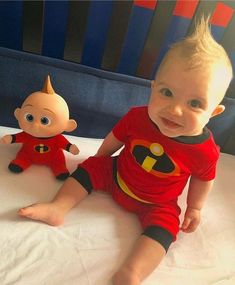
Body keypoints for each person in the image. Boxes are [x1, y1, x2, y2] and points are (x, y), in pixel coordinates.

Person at [18, 17, 233, 285]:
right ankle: (58, 207)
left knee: (165, 229)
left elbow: (204, 178)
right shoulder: (137, 117)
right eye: (167, 92)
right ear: (153, 87)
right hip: (118, 174)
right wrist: (100, 159)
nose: (175, 110)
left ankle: (133, 272)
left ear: (214, 112)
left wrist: (195, 207)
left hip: (159, 202)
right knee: (90, 167)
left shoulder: (205, 151)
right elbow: (114, 139)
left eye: (194, 103)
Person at [0, 76, 79, 180]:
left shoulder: (57, 138)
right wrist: (9, 138)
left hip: (53, 157)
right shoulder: (27, 135)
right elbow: (16, 137)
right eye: (29, 117)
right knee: (23, 156)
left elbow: (65, 145)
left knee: (58, 160)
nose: (35, 125)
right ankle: (21, 162)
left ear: (68, 125)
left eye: (44, 120)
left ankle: (59, 169)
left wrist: (71, 148)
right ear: (18, 114)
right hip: (28, 154)